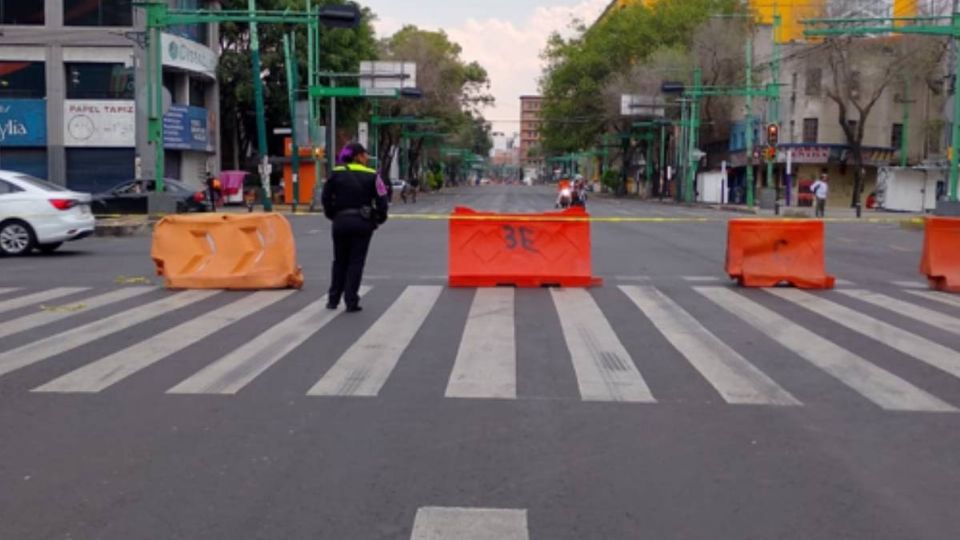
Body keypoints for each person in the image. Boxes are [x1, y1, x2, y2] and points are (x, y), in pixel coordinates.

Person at [321, 142, 389, 312]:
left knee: (339, 261)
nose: (366, 158)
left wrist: (333, 215)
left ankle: (333, 299)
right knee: (356, 262)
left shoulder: (336, 173)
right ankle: (351, 301)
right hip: (362, 223)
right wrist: (378, 219)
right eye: (365, 155)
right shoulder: (373, 175)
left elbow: (325, 198)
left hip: (340, 222)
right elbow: (382, 199)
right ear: (358, 156)